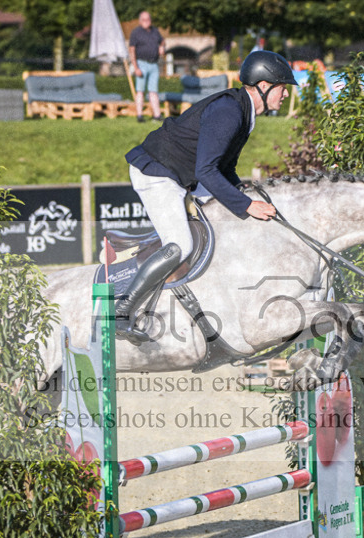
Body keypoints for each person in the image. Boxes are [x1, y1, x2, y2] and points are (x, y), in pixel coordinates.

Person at [117, 50, 297, 343]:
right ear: (264, 86)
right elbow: (206, 171)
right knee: (180, 244)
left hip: (183, 172)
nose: (286, 94)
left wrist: (244, 193)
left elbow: (225, 167)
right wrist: (246, 205)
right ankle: (122, 310)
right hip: (158, 172)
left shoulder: (244, 112)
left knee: (228, 220)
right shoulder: (229, 111)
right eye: (282, 88)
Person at [129, 11, 165, 123]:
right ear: (140, 21)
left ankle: (157, 115)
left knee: (153, 91)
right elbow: (132, 50)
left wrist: (161, 47)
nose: (146, 21)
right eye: (144, 20)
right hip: (141, 64)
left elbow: (162, 41)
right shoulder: (136, 33)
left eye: (148, 19)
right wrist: (136, 68)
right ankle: (140, 116)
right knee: (140, 91)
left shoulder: (155, 31)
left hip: (154, 64)